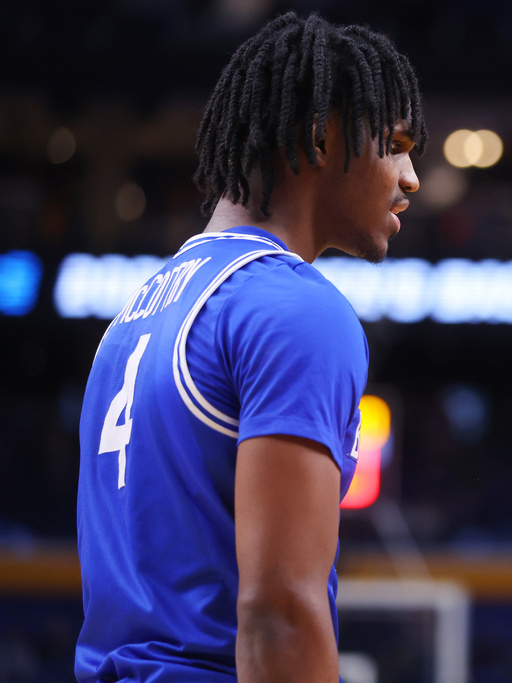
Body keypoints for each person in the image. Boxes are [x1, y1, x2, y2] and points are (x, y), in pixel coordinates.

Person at [75, 12, 425, 682]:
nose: (410, 177)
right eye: (397, 144)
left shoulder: (134, 315)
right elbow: (279, 613)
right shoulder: (297, 308)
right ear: (322, 135)